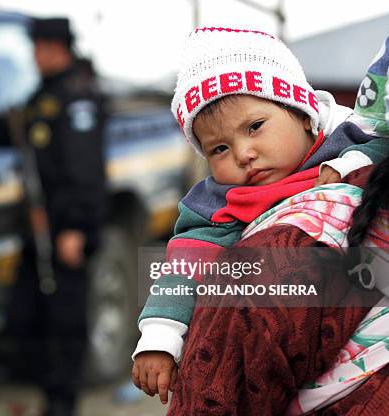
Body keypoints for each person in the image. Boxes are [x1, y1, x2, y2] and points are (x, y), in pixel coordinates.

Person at [130, 27, 389, 406]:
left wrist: (353, 162)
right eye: (219, 148)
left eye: (255, 127)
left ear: (303, 114)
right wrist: (159, 338)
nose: (244, 153)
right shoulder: (219, 203)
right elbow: (182, 268)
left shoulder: (350, 141)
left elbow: (382, 138)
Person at [6, 17, 107, 416]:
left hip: (65, 231)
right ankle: (48, 395)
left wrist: (76, 228)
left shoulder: (78, 97)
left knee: (65, 320)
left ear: (56, 48)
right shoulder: (43, 95)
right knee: (26, 316)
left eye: (38, 47)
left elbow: (85, 172)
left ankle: (62, 404)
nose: (33, 56)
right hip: (38, 228)